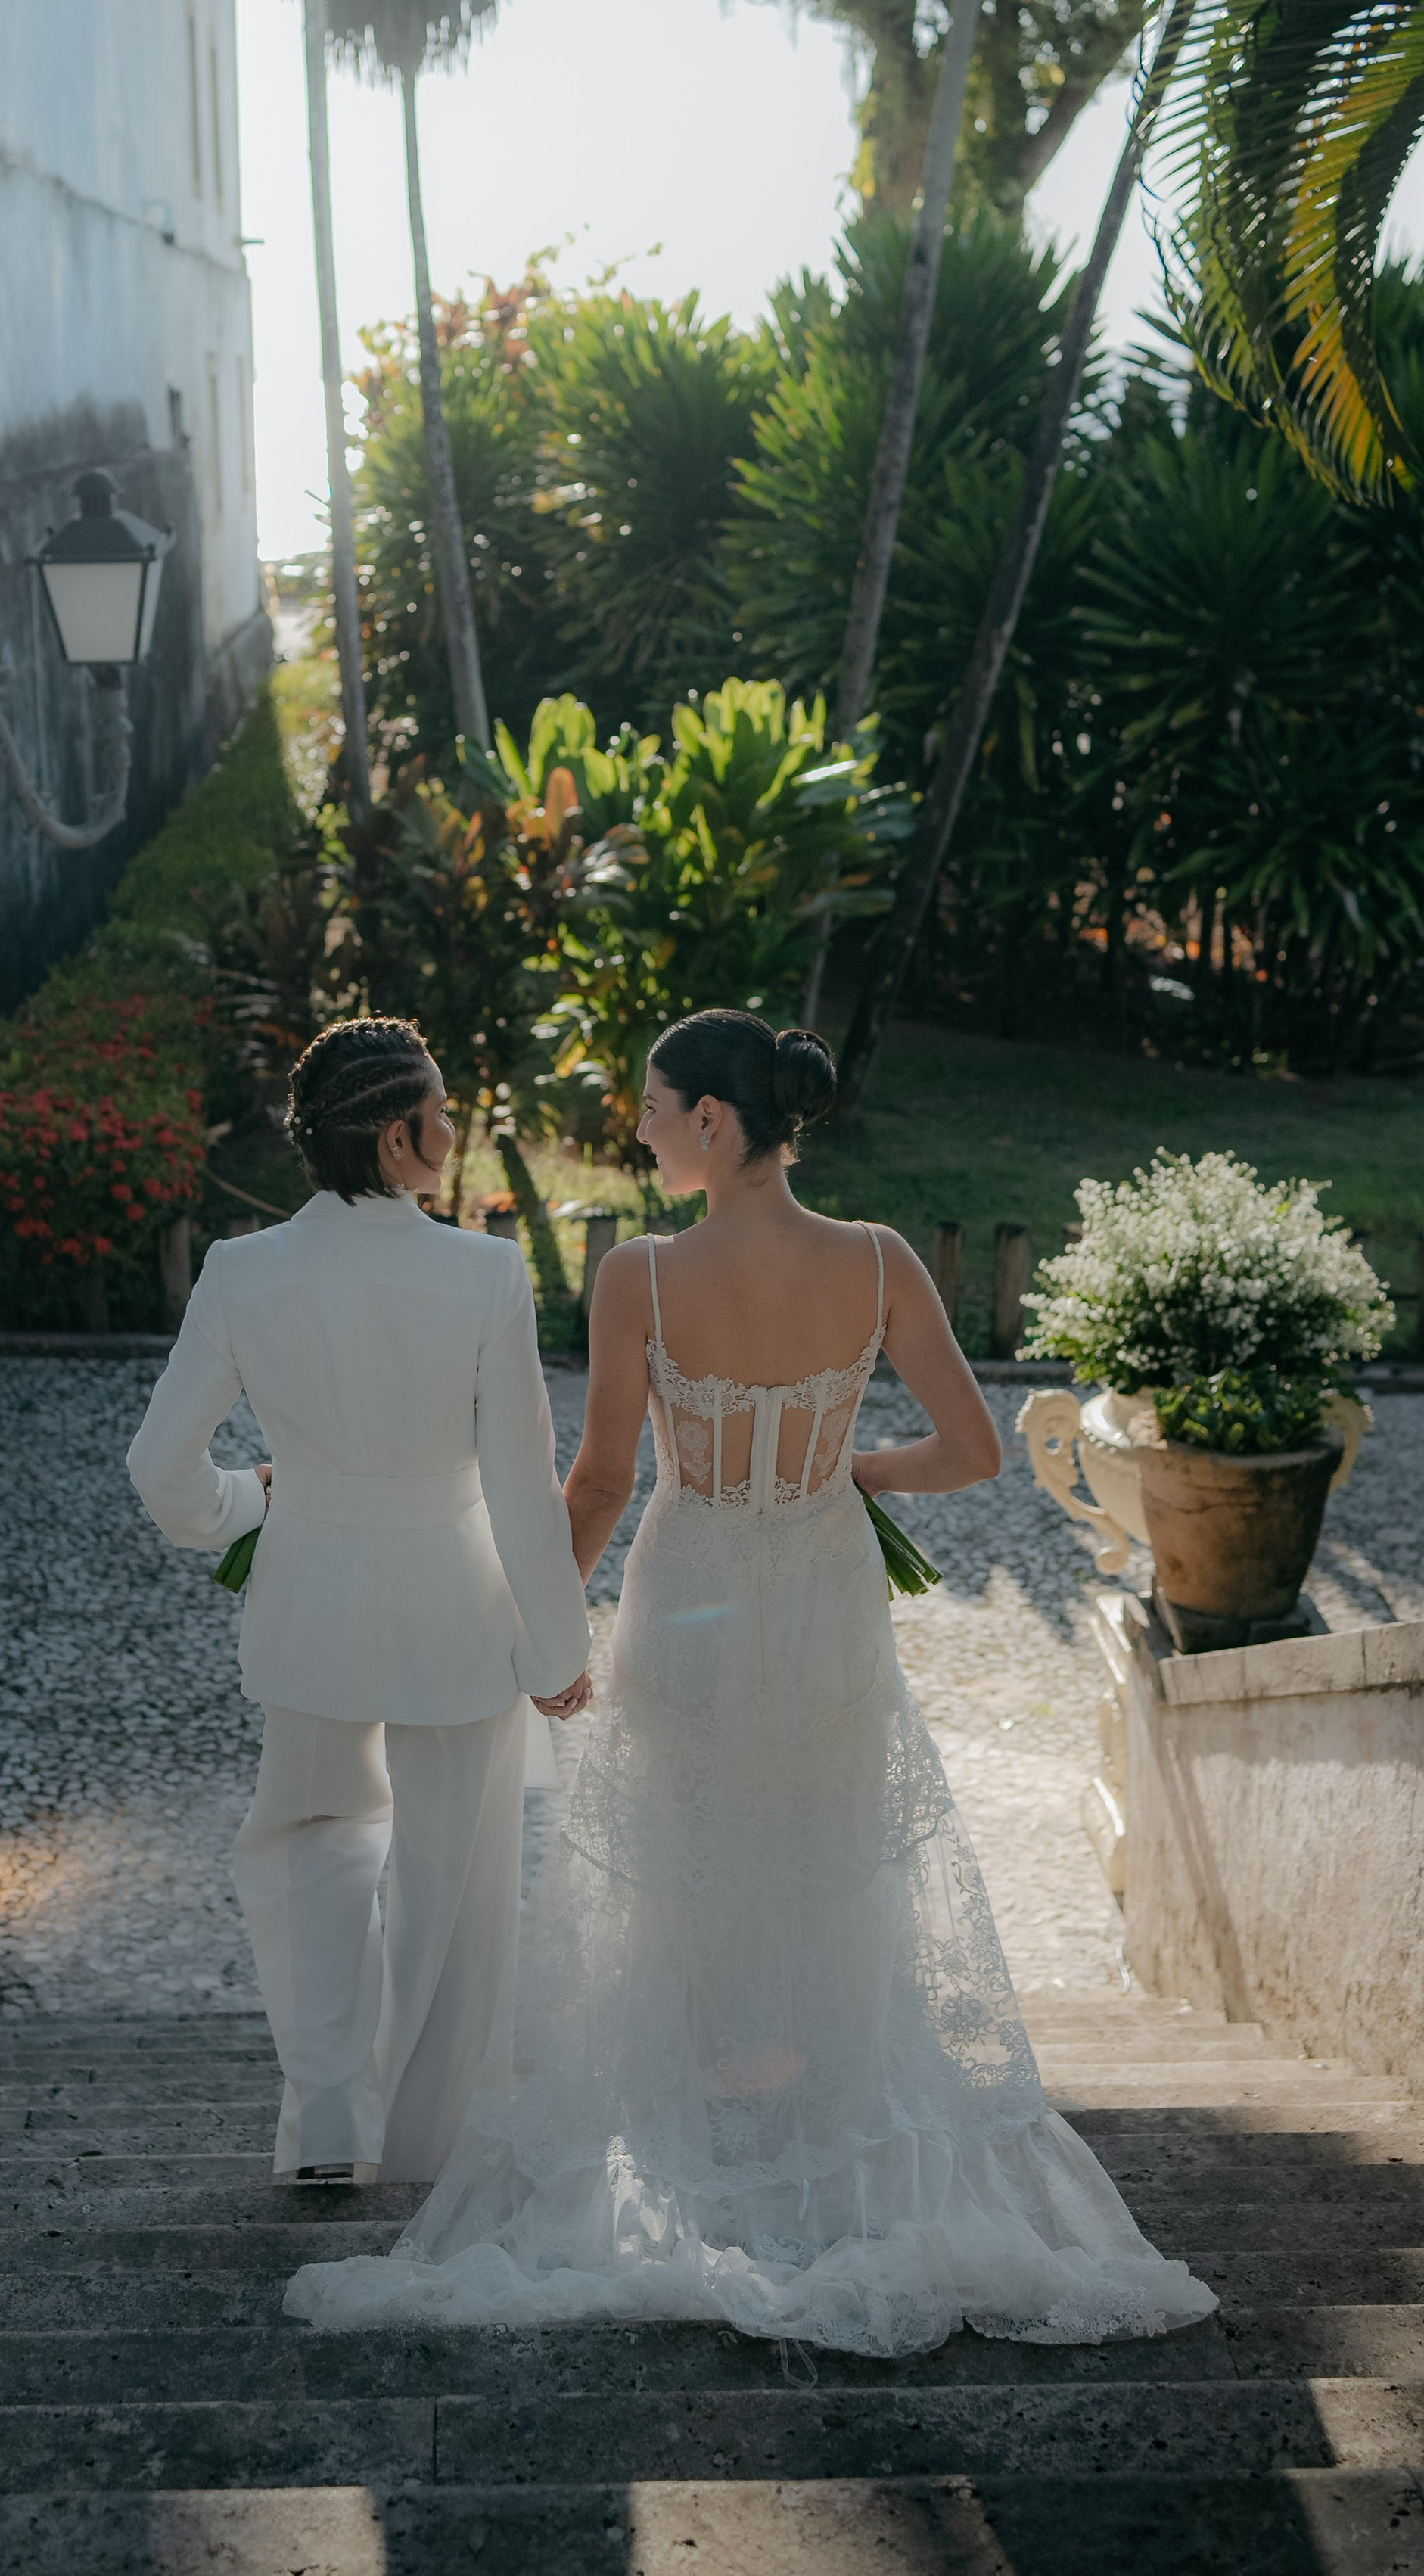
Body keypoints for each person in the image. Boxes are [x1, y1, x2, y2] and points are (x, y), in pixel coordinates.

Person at [284, 1008, 1217, 2354]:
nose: (640, 1129)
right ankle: (818, 2146)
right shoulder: (880, 1259)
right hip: (828, 1603)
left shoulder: (642, 1278)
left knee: (684, 1871)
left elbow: (602, 1482)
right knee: (829, 1863)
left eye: (654, 1109)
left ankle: (707, 2160)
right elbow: (972, 1451)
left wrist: (540, 1634)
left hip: (692, 1603)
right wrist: (848, 1471)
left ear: (713, 1123)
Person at [126, 1016, 591, 2188]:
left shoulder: (242, 1272)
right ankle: (436, 2144)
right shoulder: (484, 1274)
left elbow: (160, 1470)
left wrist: (244, 1504)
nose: (454, 1129)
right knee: (453, 1881)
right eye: (441, 1113)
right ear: (395, 1139)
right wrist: (557, 1649)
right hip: (455, 1611)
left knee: (311, 1853)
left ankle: (329, 2124)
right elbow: (520, 1485)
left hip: (311, 1606)